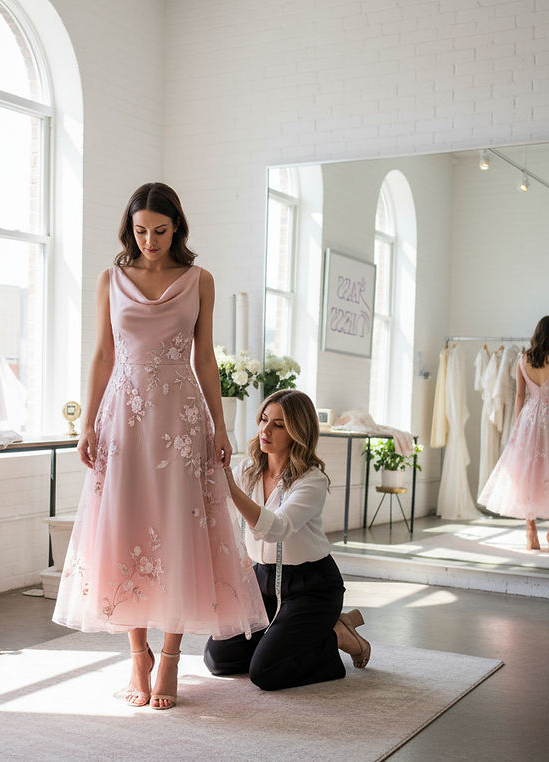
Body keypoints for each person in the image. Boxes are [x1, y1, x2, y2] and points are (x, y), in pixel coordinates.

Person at [51, 182, 268, 710]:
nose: (150, 240)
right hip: (123, 419)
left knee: (179, 528)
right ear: (131, 229)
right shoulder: (111, 279)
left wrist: (220, 425)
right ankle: (137, 654)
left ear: (178, 229)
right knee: (125, 526)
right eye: (141, 230)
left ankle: (169, 657)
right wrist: (87, 425)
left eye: (160, 231)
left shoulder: (200, 281)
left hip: (181, 419)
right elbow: (103, 355)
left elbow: (206, 360)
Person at [204, 389, 371, 691]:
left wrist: (229, 486)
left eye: (279, 425)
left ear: (298, 431)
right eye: (264, 420)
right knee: (219, 659)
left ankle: (337, 635)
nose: (265, 430)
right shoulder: (248, 470)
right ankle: (285, 639)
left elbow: (277, 527)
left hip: (311, 587)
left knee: (266, 672)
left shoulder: (312, 480)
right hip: (261, 580)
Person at [478, 315, 549, 551]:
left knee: (528, 474)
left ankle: (530, 531)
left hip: (529, 418)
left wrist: (518, 426)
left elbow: (520, 396)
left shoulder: (522, 358)